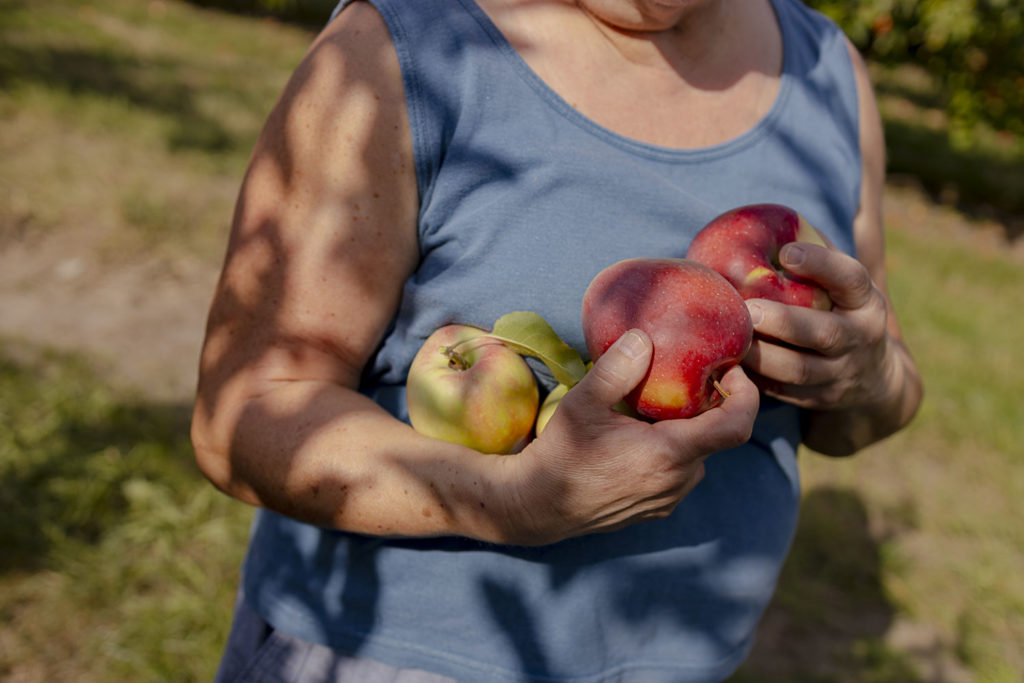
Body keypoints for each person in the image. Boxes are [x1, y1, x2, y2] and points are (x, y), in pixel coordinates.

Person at [191, 0, 923, 680]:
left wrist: (868, 378)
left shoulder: (830, 76)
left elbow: (879, 399)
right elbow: (245, 414)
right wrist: (503, 500)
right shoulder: (400, 50)